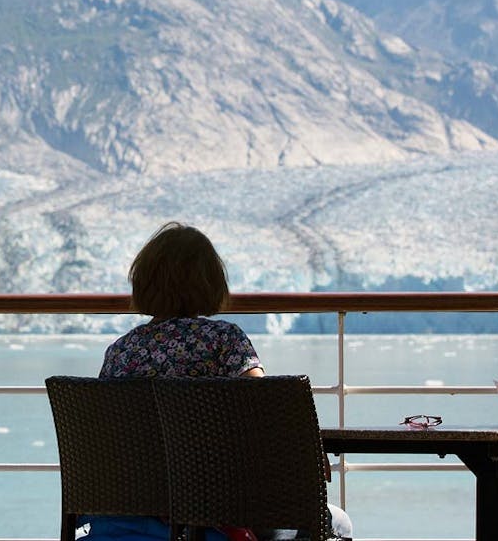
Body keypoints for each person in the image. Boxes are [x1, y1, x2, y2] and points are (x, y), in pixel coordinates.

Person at [95, 222, 353, 540]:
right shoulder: (223, 340)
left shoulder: (119, 352)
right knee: (337, 522)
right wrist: (309, 454)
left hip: (133, 511)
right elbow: (268, 407)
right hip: (213, 514)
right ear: (210, 283)